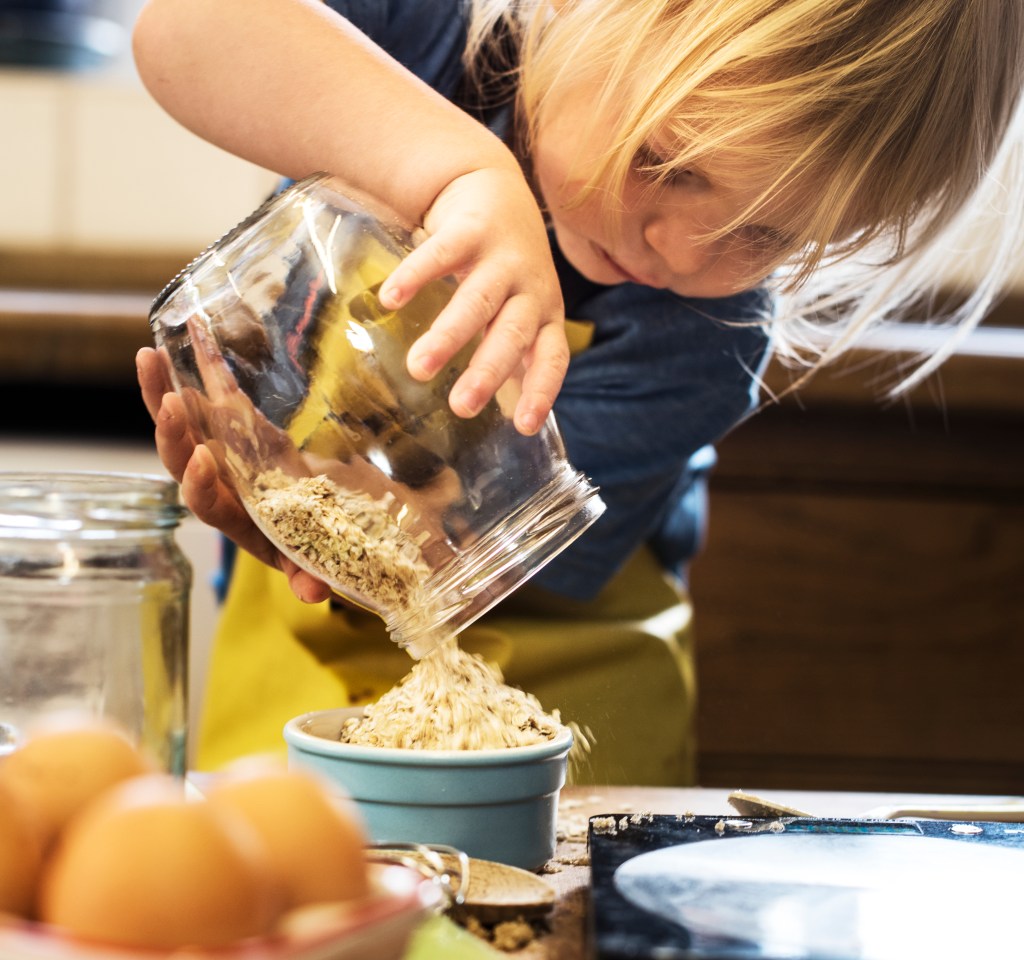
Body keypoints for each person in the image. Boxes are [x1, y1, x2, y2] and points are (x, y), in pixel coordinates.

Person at [132, 0, 1024, 783]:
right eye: (668, 163)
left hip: (568, 764)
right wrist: (456, 171)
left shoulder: (705, 343)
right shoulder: (429, 44)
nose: (680, 248)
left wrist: (297, 504)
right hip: (285, 718)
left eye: (764, 233)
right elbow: (182, 27)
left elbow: (447, 551)